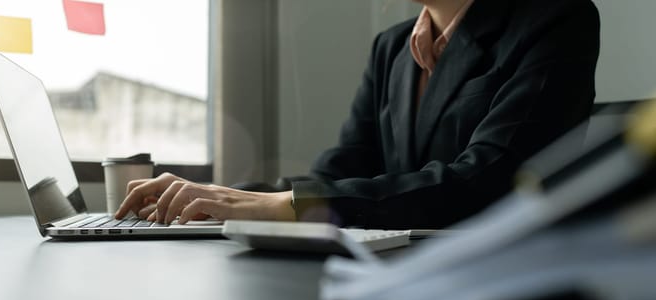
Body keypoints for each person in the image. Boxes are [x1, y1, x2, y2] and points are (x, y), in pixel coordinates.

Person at [116, 0, 601, 229]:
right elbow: (340, 173)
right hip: (386, 275)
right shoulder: (391, 48)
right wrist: (223, 198)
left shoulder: (557, 20)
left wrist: (278, 207)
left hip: (492, 288)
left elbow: (487, 182)